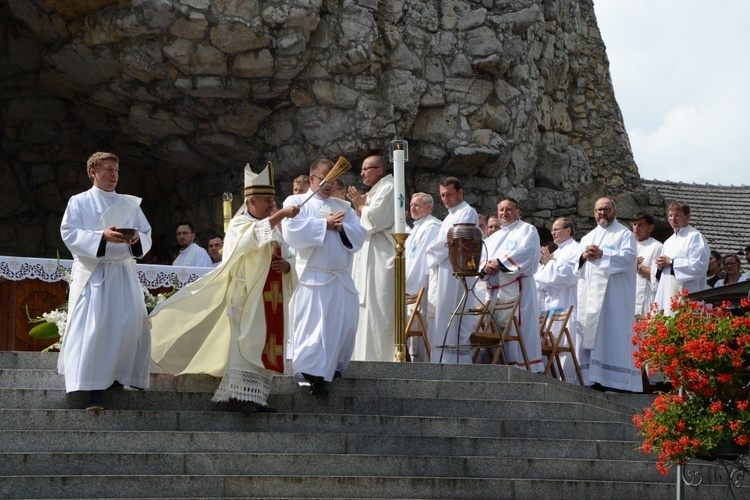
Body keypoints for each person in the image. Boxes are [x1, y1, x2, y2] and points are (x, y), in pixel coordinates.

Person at [149, 162, 300, 413]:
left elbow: (288, 256)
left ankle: (258, 396)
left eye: (273, 200)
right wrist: (280, 216)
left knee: (264, 344)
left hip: (270, 299)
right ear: (251, 201)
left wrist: (288, 266)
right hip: (245, 297)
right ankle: (241, 397)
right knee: (246, 344)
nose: (271, 204)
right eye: (265, 200)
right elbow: (248, 242)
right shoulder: (240, 225)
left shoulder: (274, 230)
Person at [59, 151, 153, 410]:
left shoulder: (130, 204)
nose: (114, 175)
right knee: (96, 328)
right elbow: (68, 232)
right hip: (95, 273)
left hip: (123, 272)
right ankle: (93, 389)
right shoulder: (79, 202)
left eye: (116, 170)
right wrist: (102, 236)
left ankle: (119, 377)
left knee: (129, 324)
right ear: (93, 172)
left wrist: (136, 240)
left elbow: (146, 233)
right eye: (108, 170)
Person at [282, 158, 367, 395]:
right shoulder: (297, 201)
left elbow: (359, 237)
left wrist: (341, 228)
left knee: (341, 325)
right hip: (313, 277)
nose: (329, 185)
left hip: (339, 277)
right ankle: (312, 374)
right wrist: (324, 223)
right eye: (324, 180)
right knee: (315, 328)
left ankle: (331, 368)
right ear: (312, 179)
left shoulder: (343, 206)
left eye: (333, 181)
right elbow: (291, 231)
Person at [576, 197, 640, 392]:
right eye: (598, 210)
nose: (601, 213)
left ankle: (617, 382)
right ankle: (594, 379)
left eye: (606, 209)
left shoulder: (624, 235)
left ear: (615, 211)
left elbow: (629, 259)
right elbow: (576, 267)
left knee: (613, 335)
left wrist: (603, 254)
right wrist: (583, 257)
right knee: (594, 336)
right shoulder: (587, 238)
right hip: (592, 297)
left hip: (615, 299)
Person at [481, 197, 543, 372]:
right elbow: (482, 257)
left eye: (508, 209)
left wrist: (500, 263)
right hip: (495, 293)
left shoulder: (527, 230)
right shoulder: (494, 237)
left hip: (519, 290)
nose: (504, 213)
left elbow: (528, 252)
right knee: (496, 329)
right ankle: (499, 365)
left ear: (518, 212)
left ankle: (523, 367)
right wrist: (486, 266)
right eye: (501, 210)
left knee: (519, 328)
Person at [347, 155, 396, 362]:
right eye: (362, 169)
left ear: (380, 170)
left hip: (380, 257)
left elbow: (375, 221)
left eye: (367, 169)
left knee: (378, 309)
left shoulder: (390, 188)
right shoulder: (376, 191)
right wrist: (360, 208)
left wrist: (360, 206)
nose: (362, 173)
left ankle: (379, 359)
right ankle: (361, 358)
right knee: (365, 311)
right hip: (367, 257)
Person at [426, 177, 478, 363]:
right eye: (442, 196)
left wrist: (430, 249)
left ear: (460, 193)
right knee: (443, 314)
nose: (445, 199)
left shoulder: (467, 212)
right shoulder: (449, 216)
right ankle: (441, 358)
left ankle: (455, 361)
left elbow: (454, 242)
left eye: (449, 194)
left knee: (455, 314)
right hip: (445, 269)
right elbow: (445, 243)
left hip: (458, 271)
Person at [534, 217, 584, 383]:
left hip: (566, 301)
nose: (553, 233)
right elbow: (541, 278)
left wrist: (549, 264)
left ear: (568, 230)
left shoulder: (576, 249)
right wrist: (548, 265)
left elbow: (569, 275)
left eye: (556, 229)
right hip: (550, 302)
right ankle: (550, 373)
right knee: (549, 339)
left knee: (564, 339)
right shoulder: (557, 251)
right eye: (552, 230)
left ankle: (566, 377)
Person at [653, 201, 710, 315]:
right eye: (670, 215)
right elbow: (660, 273)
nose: (673, 219)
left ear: (687, 217)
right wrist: (659, 267)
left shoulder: (695, 237)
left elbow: (699, 266)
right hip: (667, 293)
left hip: (687, 294)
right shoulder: (668, 241)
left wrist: (672, 262)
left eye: (677, 215)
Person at [404, 193, 441, 362]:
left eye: (417, 205)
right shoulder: (416, 227)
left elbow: (421, 260)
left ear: (428, 207)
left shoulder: (432, 226)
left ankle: (420, 360)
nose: (412, 208)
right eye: (411, 205)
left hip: (421, 283)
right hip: (411, 283)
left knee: (421, 321)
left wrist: (408, 284)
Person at [632, 211, 662, 317]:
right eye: (634, 224)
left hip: (645, 299)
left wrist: (637, 266)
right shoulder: (626, 245)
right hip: (626, 297)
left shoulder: (657, 247)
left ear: (650, 228)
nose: (636, 228)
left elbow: (655, 275)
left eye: (640, 225)